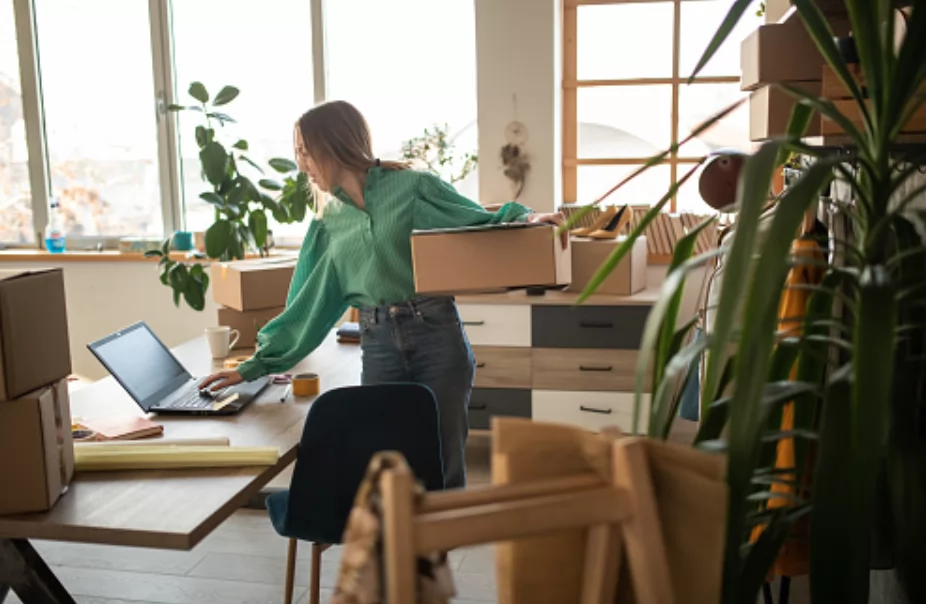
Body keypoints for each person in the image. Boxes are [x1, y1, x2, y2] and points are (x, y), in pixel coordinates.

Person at [200, 100, 565, 489]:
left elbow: (475, 218)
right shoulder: (328, 223)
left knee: (442, 465)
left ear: (333, 144)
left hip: (437, 337)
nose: (302, 164)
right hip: (379, 348)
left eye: (305, 152)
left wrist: (527, 219)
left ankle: (437, 547)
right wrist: (254, 366)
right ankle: (396, 548)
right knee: (386, 471)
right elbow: (309, 305)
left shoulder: (412, 187)